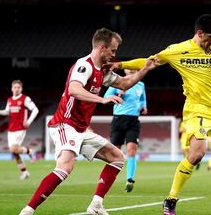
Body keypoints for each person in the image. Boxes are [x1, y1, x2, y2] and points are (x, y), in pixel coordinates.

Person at [105, 14, 211, 215]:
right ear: (199, 33)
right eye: (210, 37)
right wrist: (121, 65)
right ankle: (170, 200)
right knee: (197, 154)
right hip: (196, 109)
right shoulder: (177, 50)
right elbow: (148, 61)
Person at [18, 28, 155, 215]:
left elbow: (124, 83)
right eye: (112, 51)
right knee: (65, 167)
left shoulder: (102, 71)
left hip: (81, 129)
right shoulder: (85, 65)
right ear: (101, 47)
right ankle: (27, 211)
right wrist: (102, 99)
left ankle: (96, 206)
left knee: (117, 158)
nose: (114, 55)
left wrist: (145, 69)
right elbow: (74, 89)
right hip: (65, 124)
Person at [103, 69, 148, 193]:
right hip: (118, 120)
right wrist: (118, 95)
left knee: (131, 150)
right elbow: (105, 97)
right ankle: (108, 180)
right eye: (130, 67)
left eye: (135, 67)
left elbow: (142, 99)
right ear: (125, 70)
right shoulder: (117, 82)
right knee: (114, 153)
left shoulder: (140, 84)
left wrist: (144, 107)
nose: (132, 69)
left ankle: (130, 179)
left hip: (133, 121)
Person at [0, 79, 39, 180]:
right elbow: (8, 111)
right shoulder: (9, 100)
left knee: (13, 149)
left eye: (19, 87)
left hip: (20, 128)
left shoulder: (25, 99)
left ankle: (30, 151)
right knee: (14, 152)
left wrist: (28, 122)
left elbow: (35, 110)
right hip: (11, 129)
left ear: (21, 88)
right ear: (12, 88)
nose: (17, 89)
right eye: (15, 87)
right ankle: (25, 172)